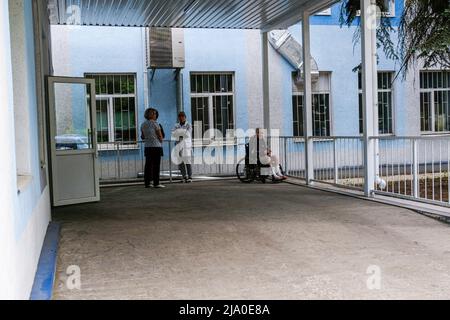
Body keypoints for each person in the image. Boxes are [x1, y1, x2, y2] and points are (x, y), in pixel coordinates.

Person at [141, 108, 165, 189]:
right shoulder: (155, 124)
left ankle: (147, 183)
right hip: (156, 146)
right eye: (154, 114)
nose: (156, 115)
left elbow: (143, 136)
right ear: (151, 115)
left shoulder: (143, 124)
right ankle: (156, 183)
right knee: (156, 165)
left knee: (148, 165)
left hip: (147, 147)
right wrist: (161, 140)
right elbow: (160, 136)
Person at [172, 111, 193, 183]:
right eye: (180, 117)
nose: (181, 118)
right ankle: (184, 176)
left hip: (186, 145)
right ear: (178, 118)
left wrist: (180, 134)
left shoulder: (188, 125)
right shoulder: (176, 125)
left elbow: (187, 133)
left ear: (185, 117)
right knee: (181, 162)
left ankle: (190, 176)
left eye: (182, 117)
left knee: (187, 161)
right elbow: (174, 134)